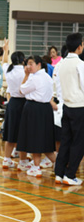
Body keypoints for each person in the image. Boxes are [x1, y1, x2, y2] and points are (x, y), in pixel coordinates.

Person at [16, 55, 56, 177]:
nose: (28, 67)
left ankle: (36, 167)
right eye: (27, 64)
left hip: (34, 109)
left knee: (35, 138)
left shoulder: (34, 78)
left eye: (31, 64)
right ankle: (57, 163)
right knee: (44, 139)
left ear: (39, 64)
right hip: (46, 109)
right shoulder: (48, 77)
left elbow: (21, 90)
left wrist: (26, 76)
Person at [54, 33, 84, 186]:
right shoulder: (80, 64)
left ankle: (59, 173)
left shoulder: (61, 63)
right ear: (80, 47)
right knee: (79, 142)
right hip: (79, 107)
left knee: (66, 140)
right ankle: (70, 174)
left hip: (66, 106)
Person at [0, 39, 31, 171]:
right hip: (24, 103)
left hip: (12, 103)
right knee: (23, 132)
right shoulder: (26, 71)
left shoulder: (9, 69)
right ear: (23, 60)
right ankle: (22, 161)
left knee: (11, 131)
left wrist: (5, 49)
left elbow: (4, 61)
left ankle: (6, 160)